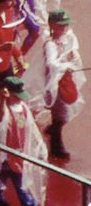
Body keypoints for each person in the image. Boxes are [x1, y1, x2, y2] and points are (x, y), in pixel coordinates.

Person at [0, 76, 46, 206]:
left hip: (18, 156)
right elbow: (0, 118)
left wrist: (40, 146)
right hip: (3, 156)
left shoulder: (23, 108)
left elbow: (32, 129)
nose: (20, 98)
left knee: (22, 186)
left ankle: (27, 204)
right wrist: (3, 100)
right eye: (17, 95)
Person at [34, 9, 84, 160]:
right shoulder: (50, 44)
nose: (64, 28)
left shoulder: (66, 38)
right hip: (54, 83)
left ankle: (53, 130)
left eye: (65, 25)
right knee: (60, 114)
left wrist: (72, 56)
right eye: (60, 25)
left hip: (65, 79)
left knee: (64, 112)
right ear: (52, 25)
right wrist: (65, 63)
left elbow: (72, 50)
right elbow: (51, 63)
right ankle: (56, 146)